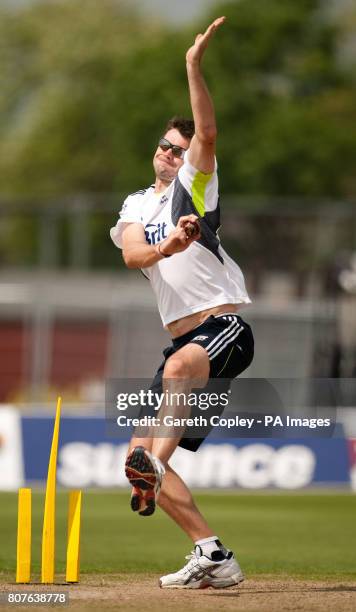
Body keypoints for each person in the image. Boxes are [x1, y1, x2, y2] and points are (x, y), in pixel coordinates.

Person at [110, 16, 254, 589]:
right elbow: (130, 255)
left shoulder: (195, 186)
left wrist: (193, 68)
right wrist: (167, 243)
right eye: (167, 148)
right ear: (155, 152)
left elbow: (209, 134)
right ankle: (213, 554)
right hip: (183, 342)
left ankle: (158, 464)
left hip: (222, 329)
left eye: (182, 149)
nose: (174, 156)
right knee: (135, 455)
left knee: (176, 373)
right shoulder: (135, 204)